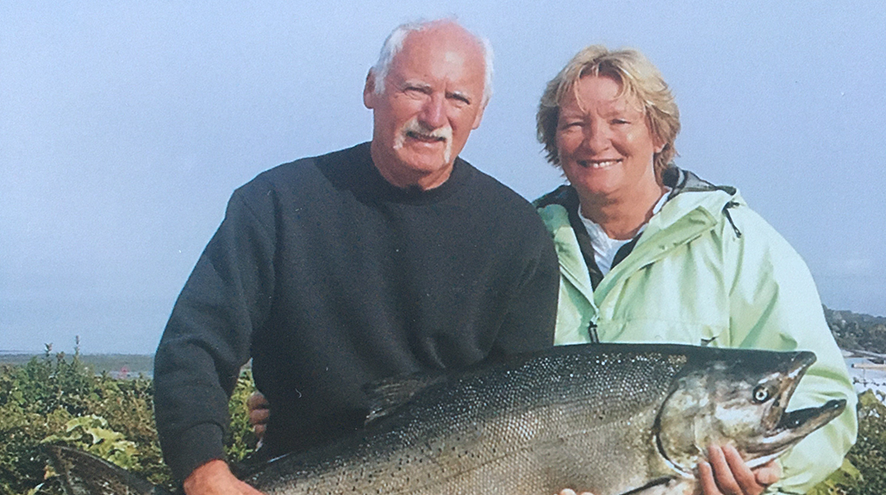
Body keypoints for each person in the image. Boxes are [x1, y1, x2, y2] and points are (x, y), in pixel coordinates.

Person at [153, 19, 560, 495]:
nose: (434, 115)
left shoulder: (518, 234)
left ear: (480, 112)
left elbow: (526, 403)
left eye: (457, 99)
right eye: (416, 89)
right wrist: (204, 471)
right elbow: (194, 344)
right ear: (372, 88)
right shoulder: (276, 203)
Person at [533, 45, 857, 495]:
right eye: (574, 124)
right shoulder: (521, 245)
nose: (595, 140)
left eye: (619, 121)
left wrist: (768, 473)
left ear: (660, 135)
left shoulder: (738, 242)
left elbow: (823, 397)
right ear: (554, 141)